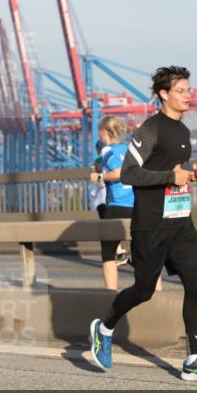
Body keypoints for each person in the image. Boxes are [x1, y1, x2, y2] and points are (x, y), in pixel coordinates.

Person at [89, 66, 197, 382]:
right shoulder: (149, 130)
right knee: (144, 290)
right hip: (151, 226)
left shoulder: (183, 131)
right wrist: (170, 176)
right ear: (163, 94)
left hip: (180, 223)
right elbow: (129, 174)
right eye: (180, 90)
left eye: (188, 90)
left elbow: (176, 168)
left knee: (196, 283)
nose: (187, 95)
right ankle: (105, 326)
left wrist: (193, 172)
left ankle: (192, 360)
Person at [89, 116, 135, 289]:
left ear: (104, 132)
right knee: (145, 256)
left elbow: (118, 172)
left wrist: (99, 176)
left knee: (108, 255)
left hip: (117, 207)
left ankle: (110, 295)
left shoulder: (107, 151)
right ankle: (155, 296)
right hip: (137, 206)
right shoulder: (128, 149)